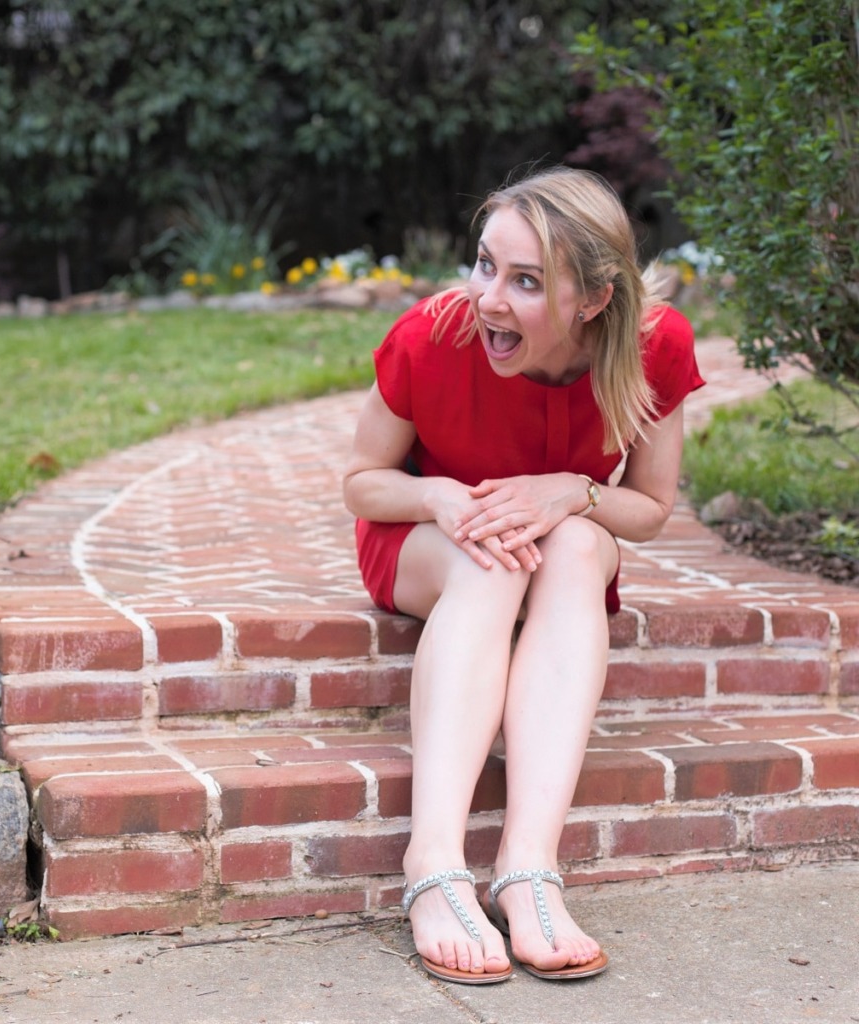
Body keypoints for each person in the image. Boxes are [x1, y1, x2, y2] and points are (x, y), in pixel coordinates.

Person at [342, 165, 705, 985]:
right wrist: (438, 495)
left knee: (571, 545)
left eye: (527, 282)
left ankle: (527, 867)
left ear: (594, 300)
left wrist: (572, 491)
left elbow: (646, 509)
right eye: (485, 265)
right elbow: (363, 483)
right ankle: (432, 864)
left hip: (567, 554)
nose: (489, 298)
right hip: (429, 542)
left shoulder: (655, 344)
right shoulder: (432, 335)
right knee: (492, 556)